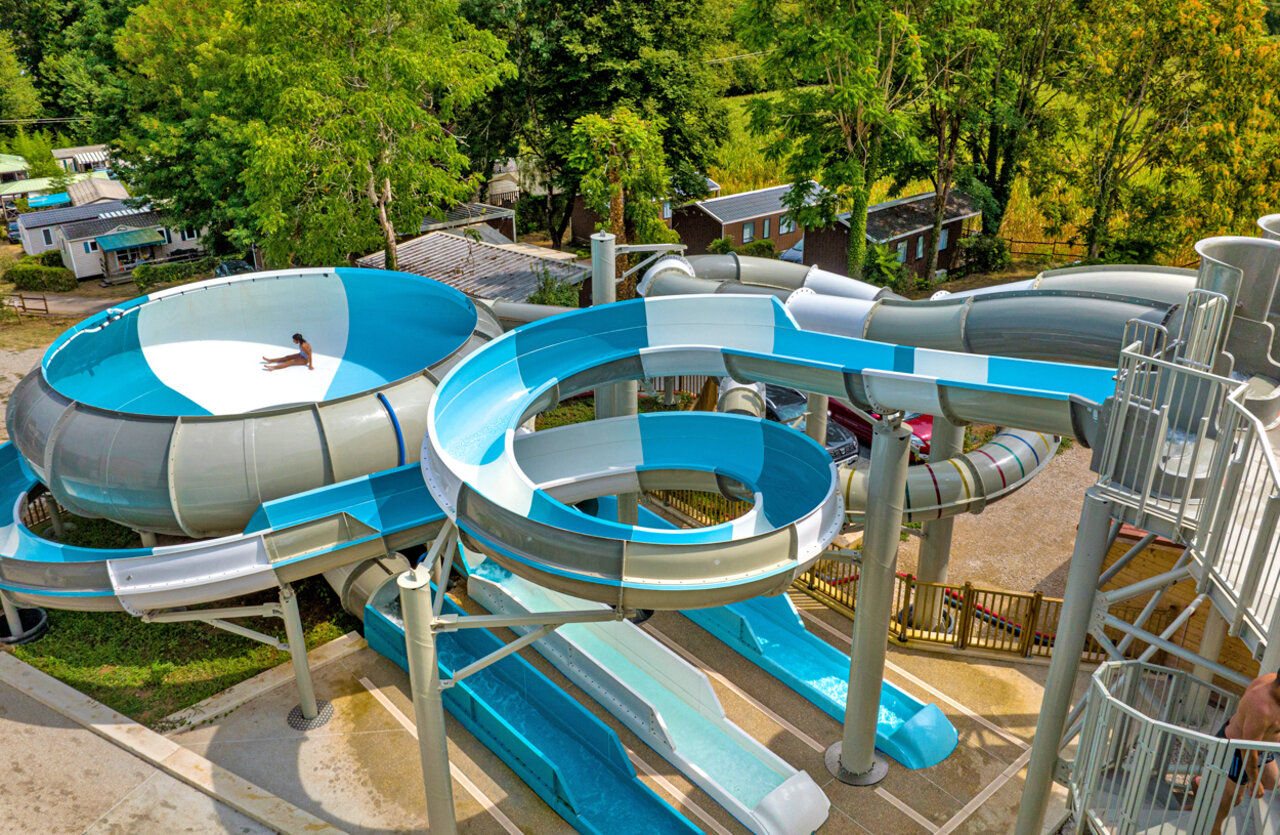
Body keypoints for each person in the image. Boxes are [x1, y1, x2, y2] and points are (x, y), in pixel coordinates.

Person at [1210, 669, 1280, 833]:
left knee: (1275, 784)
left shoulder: (1275, 690)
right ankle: (1213, 829)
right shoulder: (1261, 707)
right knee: (1233, 798)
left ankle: (1205, 791)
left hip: (1261, 747)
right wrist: (1254, 781)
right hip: (1237, 749)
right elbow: (1247, 749)